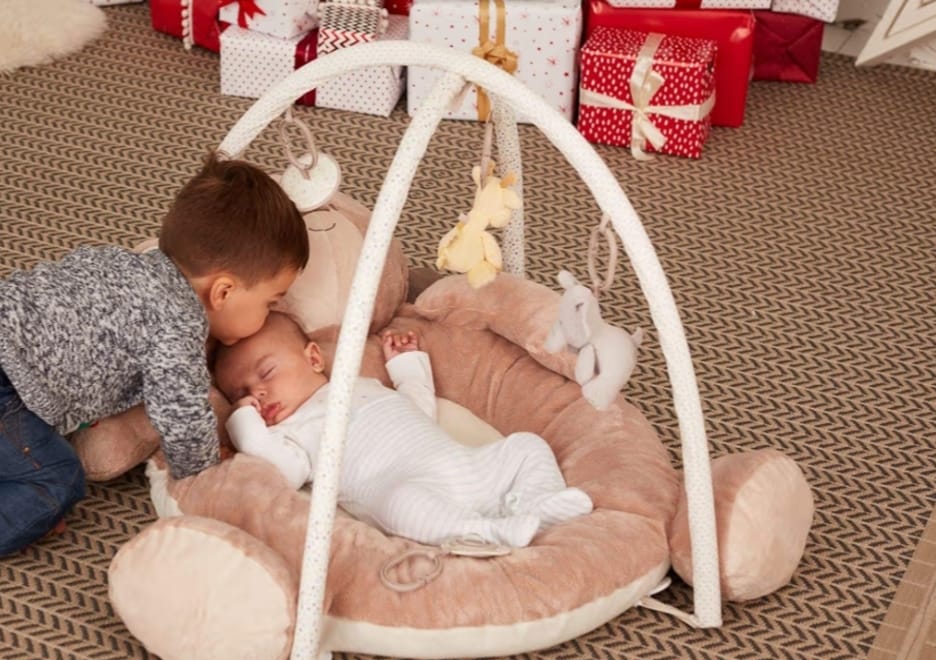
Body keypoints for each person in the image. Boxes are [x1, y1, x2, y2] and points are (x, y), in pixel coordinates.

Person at [0, 151, 310, 557]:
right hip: (9, 382)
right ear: (223, 292)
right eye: (269, 303)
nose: (270, 314)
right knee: (56, 480)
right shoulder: (178, 322)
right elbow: (180, 413)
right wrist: (202, 466)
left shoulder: (118, 260)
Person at [213, 312, 593, 548]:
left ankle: (539, 501)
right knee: (401, 505)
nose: (257, 392)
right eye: (241, 394)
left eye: (266, 373)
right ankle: (486, 531)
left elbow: (417, 408)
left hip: (465, 464)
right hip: (414, 489)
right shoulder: (291, 435)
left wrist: (407, 366)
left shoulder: (358, 383)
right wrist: (244, 423)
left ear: (313, 358)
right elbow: (280, 469)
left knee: (526, 446)